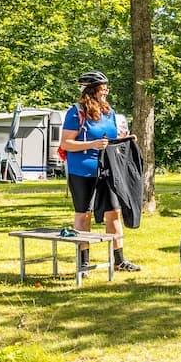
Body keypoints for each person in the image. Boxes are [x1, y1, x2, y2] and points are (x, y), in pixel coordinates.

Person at [59, 70, 139, 272]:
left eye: (106, 88)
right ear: (92, 91)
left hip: (107, 170)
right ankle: (83, 263)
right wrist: (92, 143)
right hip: (82, 171)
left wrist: (126, 139)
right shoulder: (76, 112)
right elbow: (66, 143)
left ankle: (119, 260)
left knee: (114, 214)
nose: (106, 92)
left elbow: (109, 139)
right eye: (103, 89)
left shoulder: (108, 112)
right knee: (83, 215)